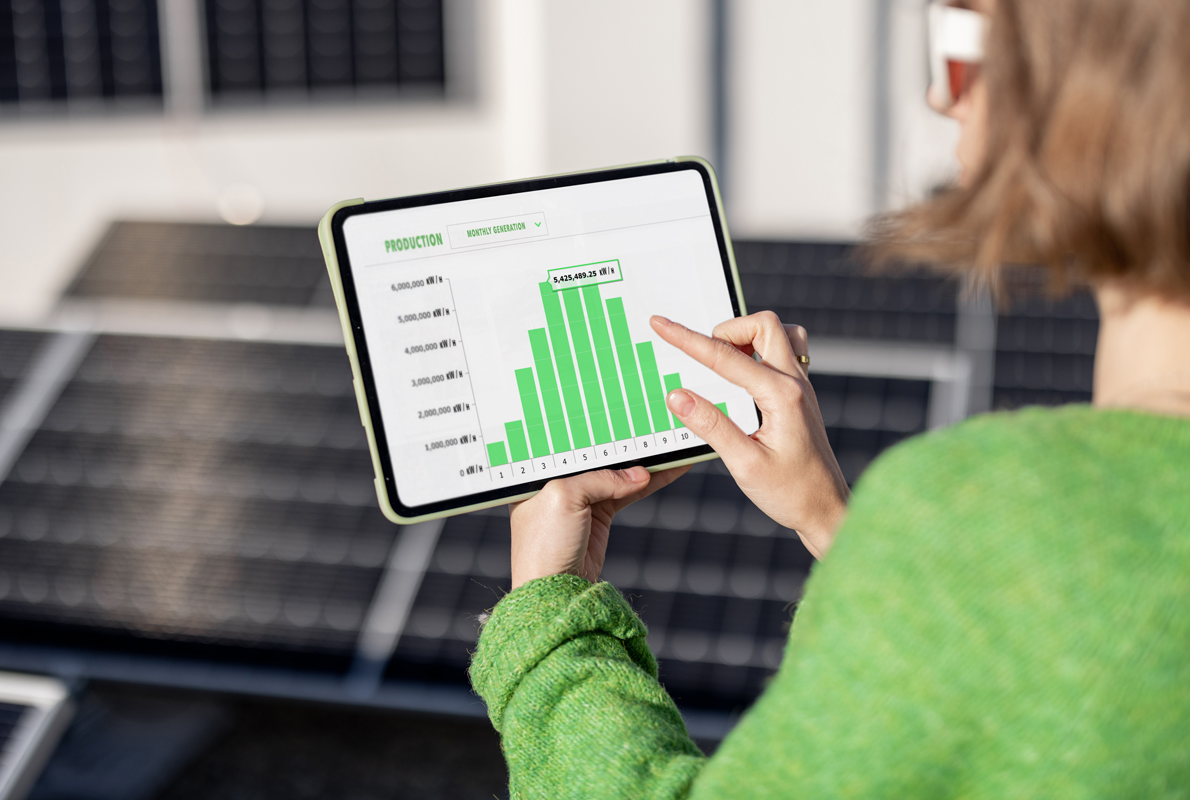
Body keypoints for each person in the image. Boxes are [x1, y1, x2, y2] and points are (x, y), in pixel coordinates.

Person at [470, 0, 1190, 796]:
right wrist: (835, 525)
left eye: (962, 40)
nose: (941, 95)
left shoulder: (994, 514)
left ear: (1107, 84)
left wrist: (546, 621)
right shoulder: (1016, 551)